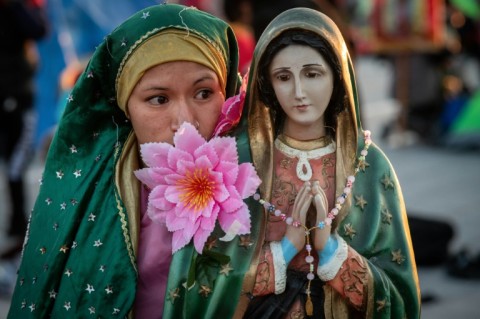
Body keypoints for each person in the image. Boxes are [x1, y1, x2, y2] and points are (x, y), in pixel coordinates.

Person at [7, 4, 244, 318]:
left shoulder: (257, 178)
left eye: (203, 93)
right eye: (158, 99)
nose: (185, 121)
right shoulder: (93, 200)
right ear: (124, 109)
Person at [234, 7, 421, 318]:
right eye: (283, 77)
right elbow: (214, 283)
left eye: (312, 74)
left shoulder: (369, 165)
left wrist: (332, 250)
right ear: (266, 84)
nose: (298, 92)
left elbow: (399, 297)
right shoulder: (243, 162)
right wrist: (287, 249)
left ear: (337, 76)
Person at [0, 0, 48, 259]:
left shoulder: (16, 10)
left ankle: (18, 227)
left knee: (16, 163)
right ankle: (16, 227)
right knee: (13, 163)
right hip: (10, 94)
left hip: (17, 98)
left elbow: (39, 29)